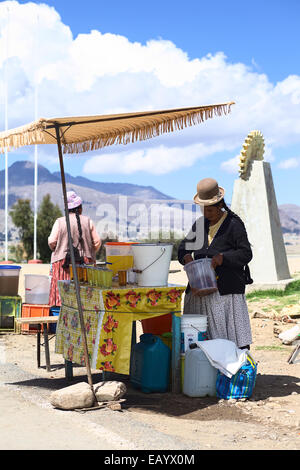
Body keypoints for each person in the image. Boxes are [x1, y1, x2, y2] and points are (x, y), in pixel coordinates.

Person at [178, 177, 253, 350]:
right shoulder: (200, 225)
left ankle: (233, 370)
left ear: (220, 205)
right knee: (199, 340)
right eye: (203, 209)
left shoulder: (234, 225)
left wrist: (223, 258)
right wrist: (186, 257)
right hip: (199, 288)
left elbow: (245, 253)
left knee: (229, 339)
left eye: (210, 210)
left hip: (225, 292)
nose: (206, 214)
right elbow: (182, 248)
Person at [48, 190, 101, 306]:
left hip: (63, 264)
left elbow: (52, 241)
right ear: (80, 208)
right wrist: (89, 252)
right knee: (84, 298)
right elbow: (97, 242)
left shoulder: (59, 222)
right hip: (85, 264)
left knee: (61, 297)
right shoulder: (88, 221)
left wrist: (59, 249)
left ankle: (58, 319)